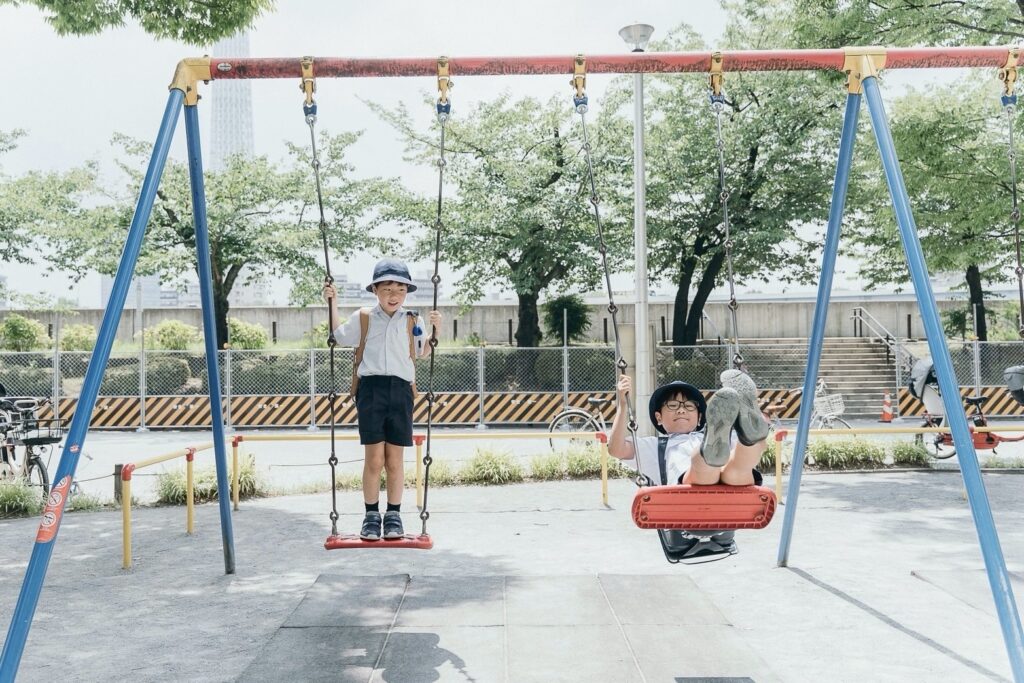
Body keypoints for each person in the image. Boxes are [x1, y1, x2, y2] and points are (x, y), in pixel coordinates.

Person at [323, 258, 442, 541]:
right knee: (374, 459)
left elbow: (423, 351)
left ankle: (394, 516)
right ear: (375, 290)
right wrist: (333, 303)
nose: (394, 295)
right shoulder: (364, 317)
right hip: (371, 391)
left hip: (401, 391)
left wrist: (436, 330)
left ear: (407, 293)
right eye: (387, 288)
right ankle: (371, 516)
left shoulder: (413, 319)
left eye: (400, 289)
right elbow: (338, 337)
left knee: (395, 460)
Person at [607, 369, 769, 487]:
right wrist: (622, 406)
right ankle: (710, 450)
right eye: (673, 405)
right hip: (689, 497)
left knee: (740, 461)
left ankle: (747, 436)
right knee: (703, 467)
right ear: (659, 417)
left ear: (700, 417)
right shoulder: (654, 446)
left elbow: (762, 445)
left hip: (731, 491)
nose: (681, 409)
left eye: (689, 406)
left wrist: (756, 434)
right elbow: (616, 449)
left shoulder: (723, 433)